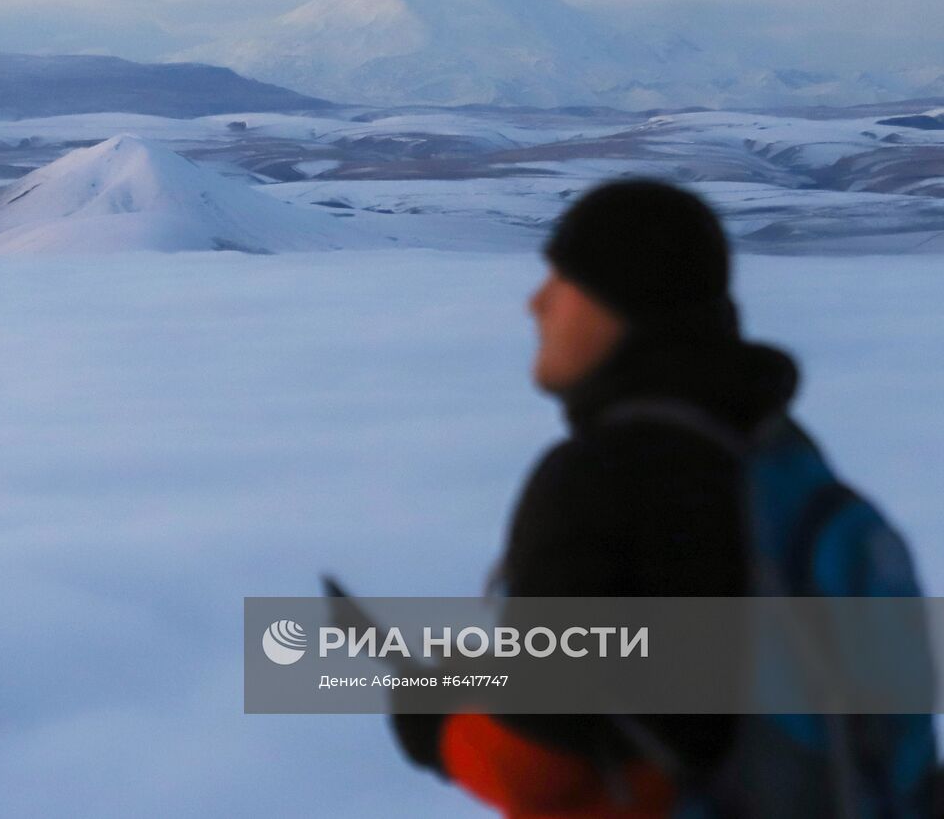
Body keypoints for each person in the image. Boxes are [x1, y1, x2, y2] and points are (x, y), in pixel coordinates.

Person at [388, 179, 935, 817]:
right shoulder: (774, 454)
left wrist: (432, 717)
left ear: (614, 302)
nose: (537, 304)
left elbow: (536, 765)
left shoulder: (601, 480)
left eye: (561, 279)